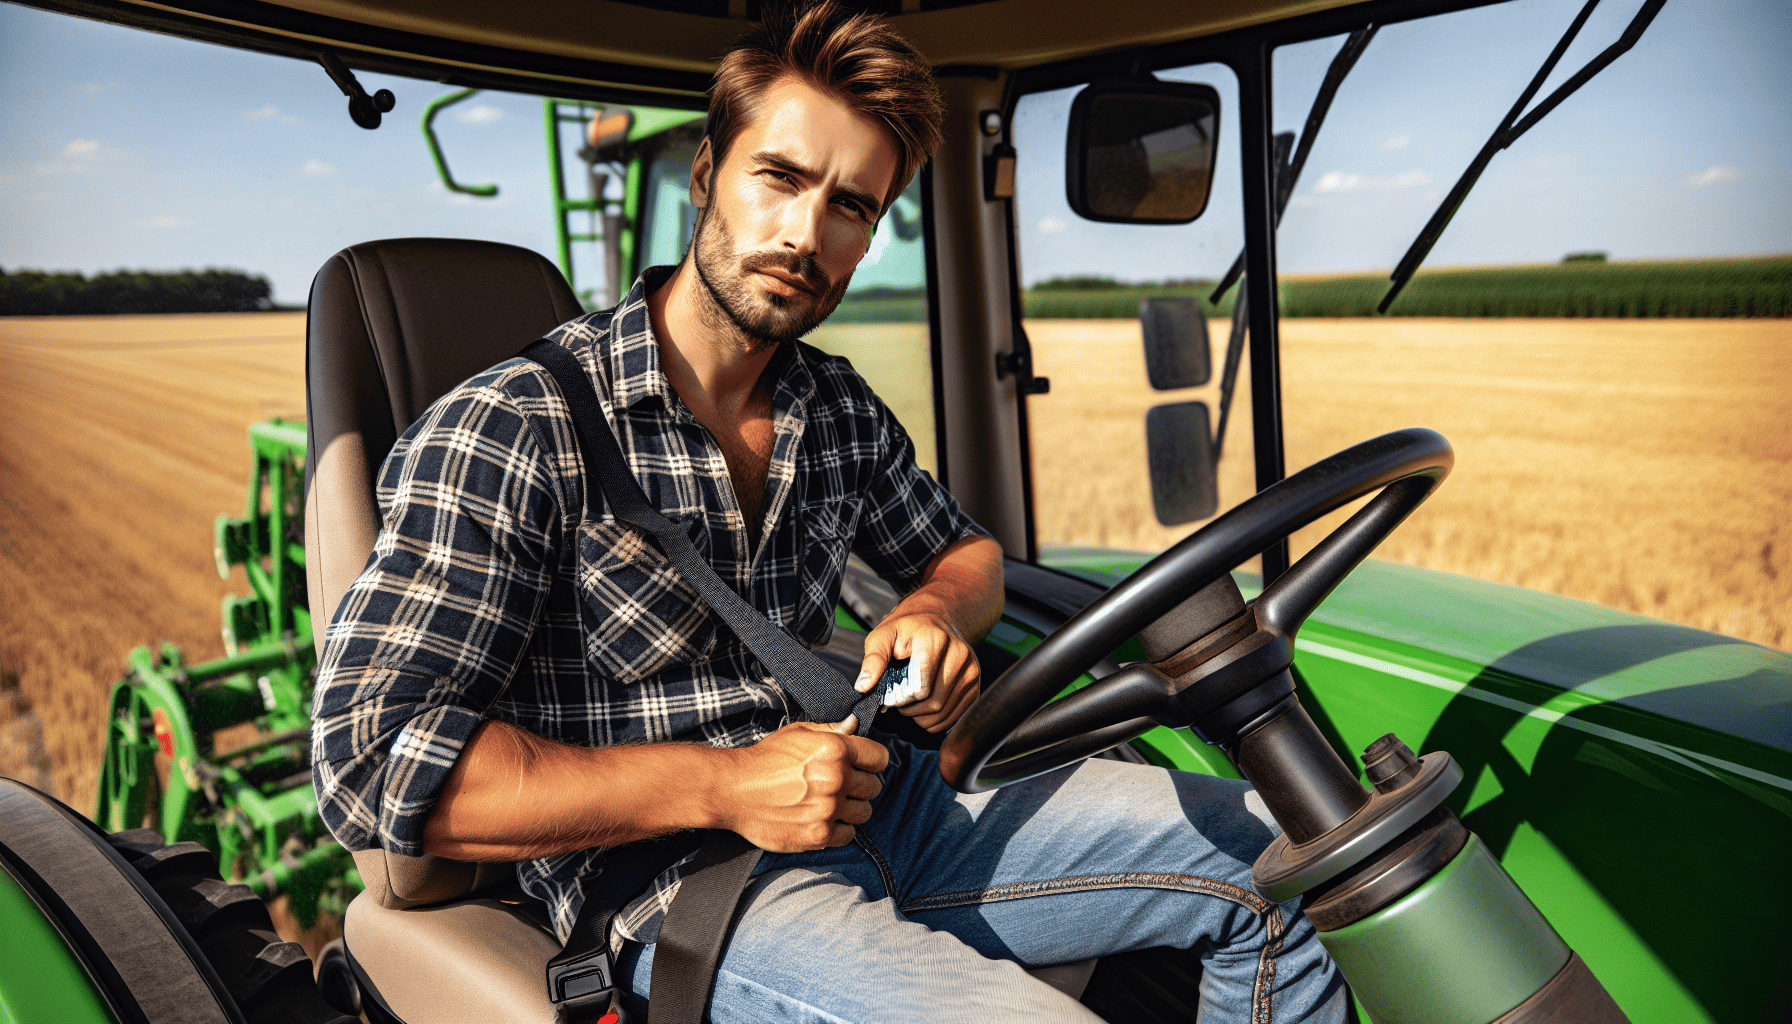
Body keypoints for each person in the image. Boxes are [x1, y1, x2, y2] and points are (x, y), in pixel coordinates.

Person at [311, 3, 1345, 1021]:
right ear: (711, 172)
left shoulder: (832, 405)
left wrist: (937, 613)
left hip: (882, 797)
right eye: (780, 177)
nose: (805, 232)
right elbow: (369, 761)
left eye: (850, 204)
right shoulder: (512, 426)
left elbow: (966, 552)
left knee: (1305, 862)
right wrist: (724, 787)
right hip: (690, 886)